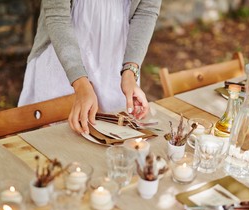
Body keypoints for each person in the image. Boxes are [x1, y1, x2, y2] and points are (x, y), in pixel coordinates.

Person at [18, 0, 162, 135]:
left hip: (116, 62)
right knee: (56, 142)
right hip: (62, 58)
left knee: (114, 144)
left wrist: (130, 71)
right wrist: (80, 83)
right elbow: (57, 16)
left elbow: (146, 11)